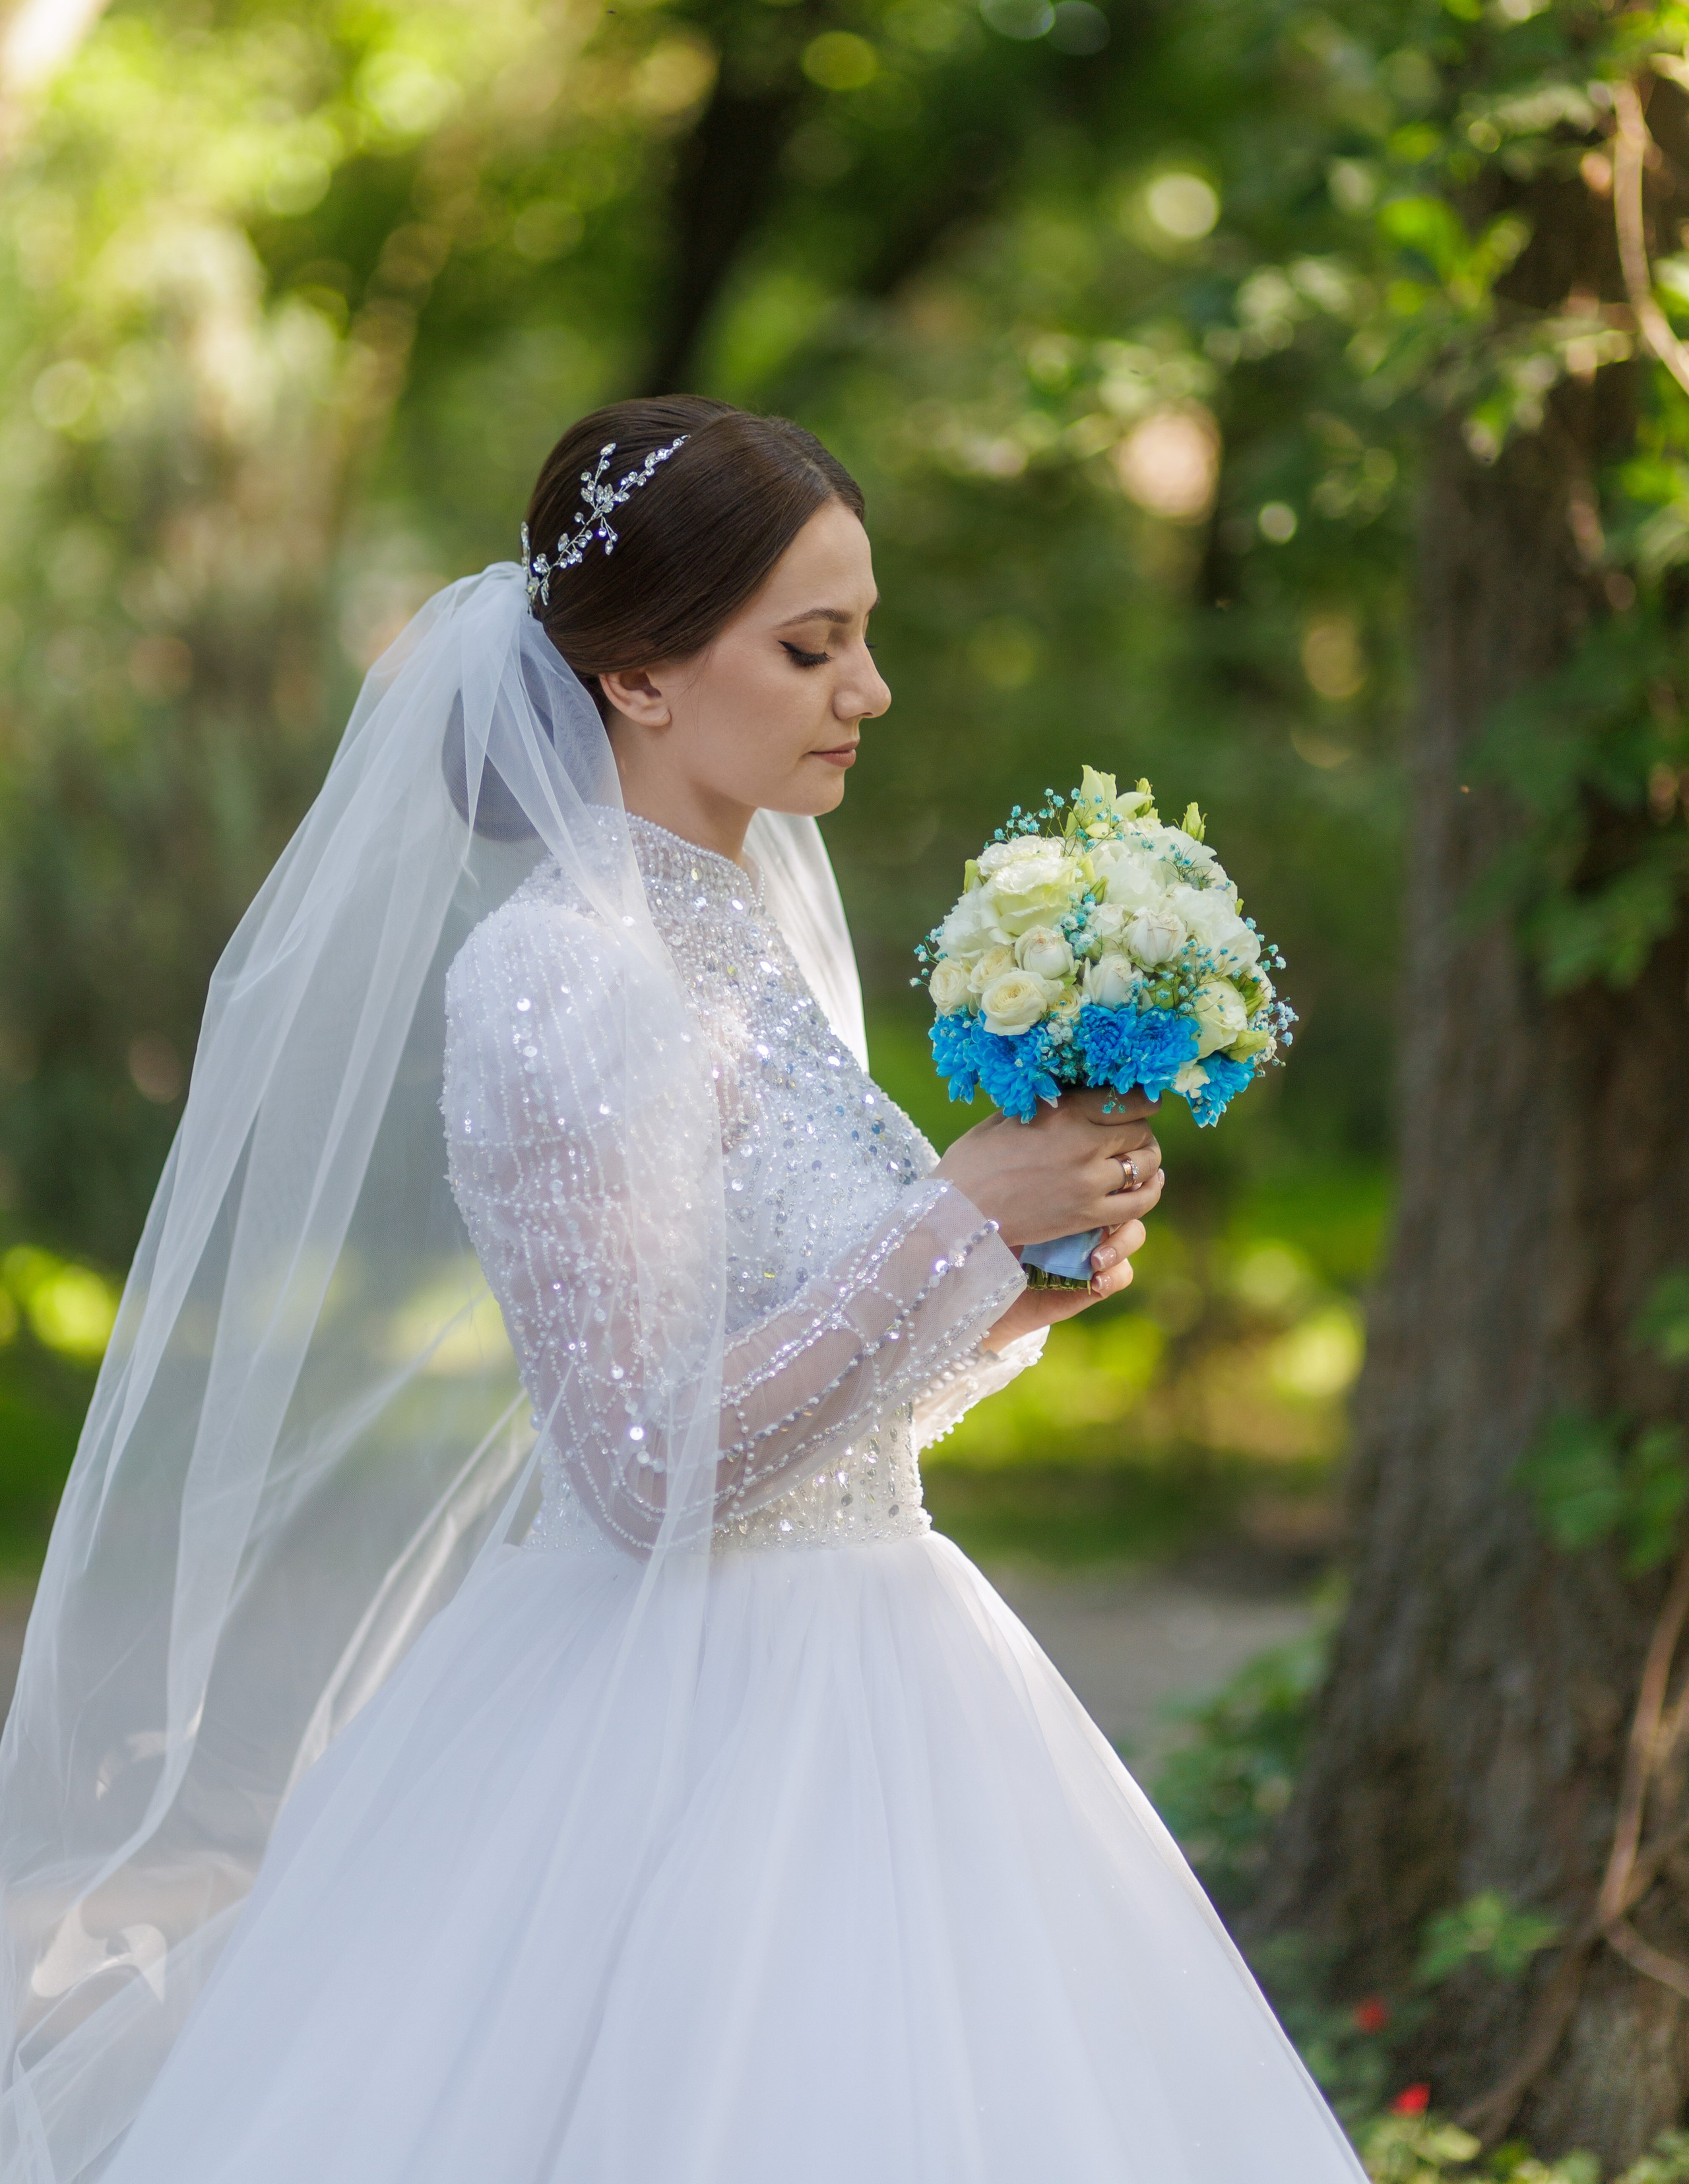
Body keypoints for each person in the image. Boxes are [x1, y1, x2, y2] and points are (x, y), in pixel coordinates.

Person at [0, 396, 1363, 2181]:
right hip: (676, 1729)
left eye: (863, 642)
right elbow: (647, 1467)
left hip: (888, 1654)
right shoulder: (561, 979)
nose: (865, 691)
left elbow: (818, 1406)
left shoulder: (754, 962)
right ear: (640, 677)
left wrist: (1010, 1303)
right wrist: (953, 1226)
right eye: (812, 647)